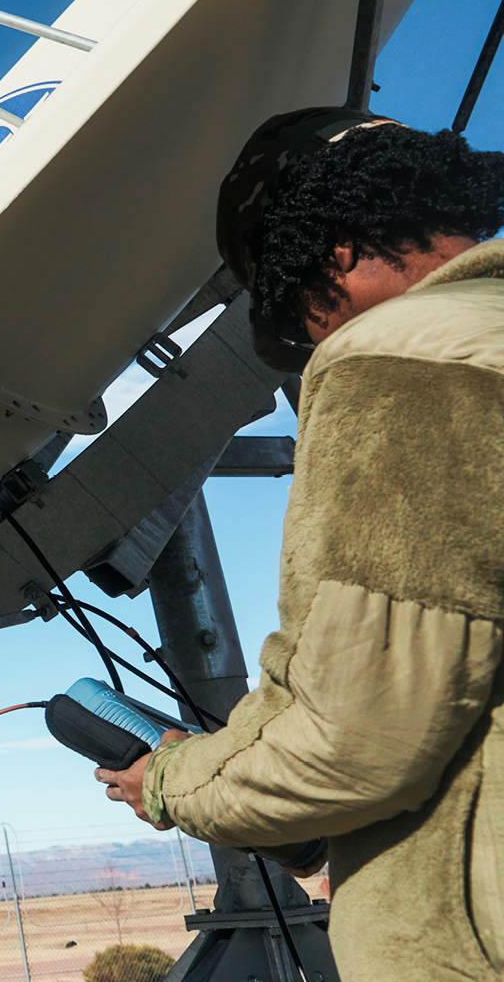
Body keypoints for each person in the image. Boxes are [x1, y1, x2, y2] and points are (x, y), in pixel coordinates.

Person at [94, 107, 504, 978]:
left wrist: (171, 783)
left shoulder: (401, 358)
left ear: (337, 256)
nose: (314, 341)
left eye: (296, 311)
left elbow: (362, 736)